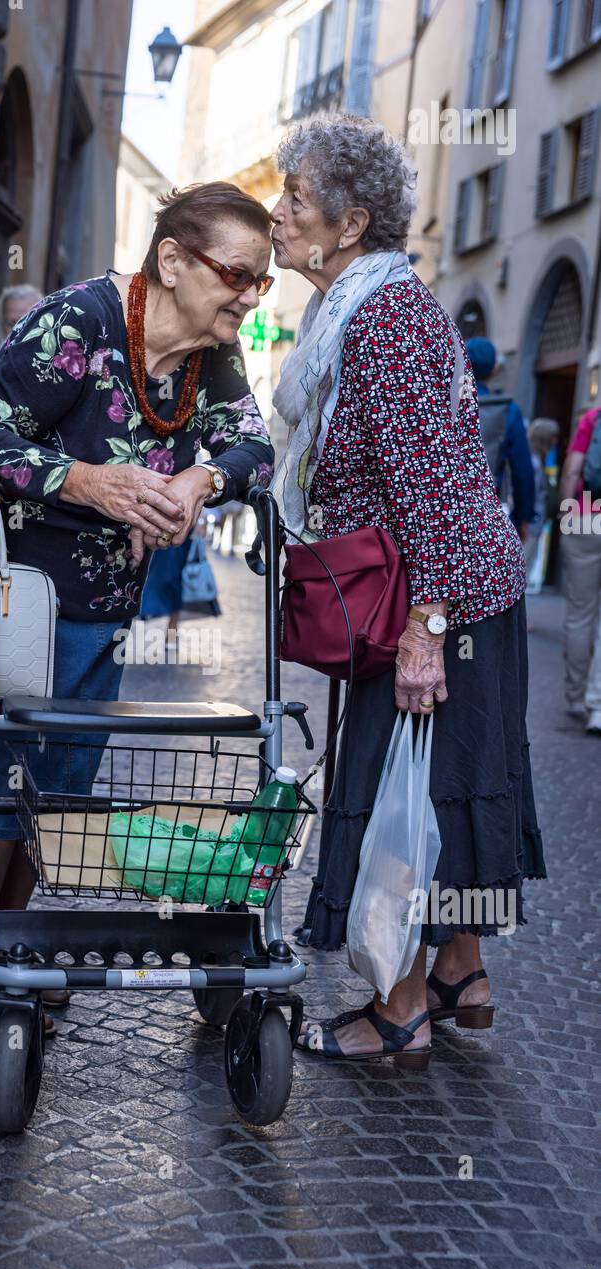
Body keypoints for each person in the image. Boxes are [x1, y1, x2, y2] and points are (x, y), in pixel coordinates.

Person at [0, 182, 275, 1032]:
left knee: (59, 784)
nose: (251, 297)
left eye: (263, 282)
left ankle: (10, 941)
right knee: (1, 774)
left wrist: (200, 478)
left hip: (99, 601)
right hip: (9, 590)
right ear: (172, 261)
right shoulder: (76, 322)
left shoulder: (208, 354)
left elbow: (255, 445)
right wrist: (90, 482)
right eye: (238, 275)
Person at [268, 113, 545, 1065]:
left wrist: (425, 631)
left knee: (404, 792)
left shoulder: (380, 316)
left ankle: (400, 1010)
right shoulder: (366, 304)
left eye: (295, 200)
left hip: (437, 597)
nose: (277, 214)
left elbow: (425, 484)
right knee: (449, 785)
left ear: (348, 225)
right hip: (458, 585)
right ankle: (462, 971)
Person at [464, 336, 535, 540]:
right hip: (480, 513)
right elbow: (522, 471)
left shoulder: (439, 402)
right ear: (494, 369)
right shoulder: (507, 411)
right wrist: (522, 517)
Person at [558, 404, 601, 734]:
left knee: (579, 614)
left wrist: (565, 512)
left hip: (586, 516)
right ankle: (597, 704)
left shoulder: (594, 415)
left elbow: (573, 469)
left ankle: (574, 697)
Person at [525, 417, 558, 582]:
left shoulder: (534, 458)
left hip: (530, 522)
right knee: (522, 570)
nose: (555, 442)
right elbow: (531, 494)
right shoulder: (534, 461)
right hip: (529, 524)